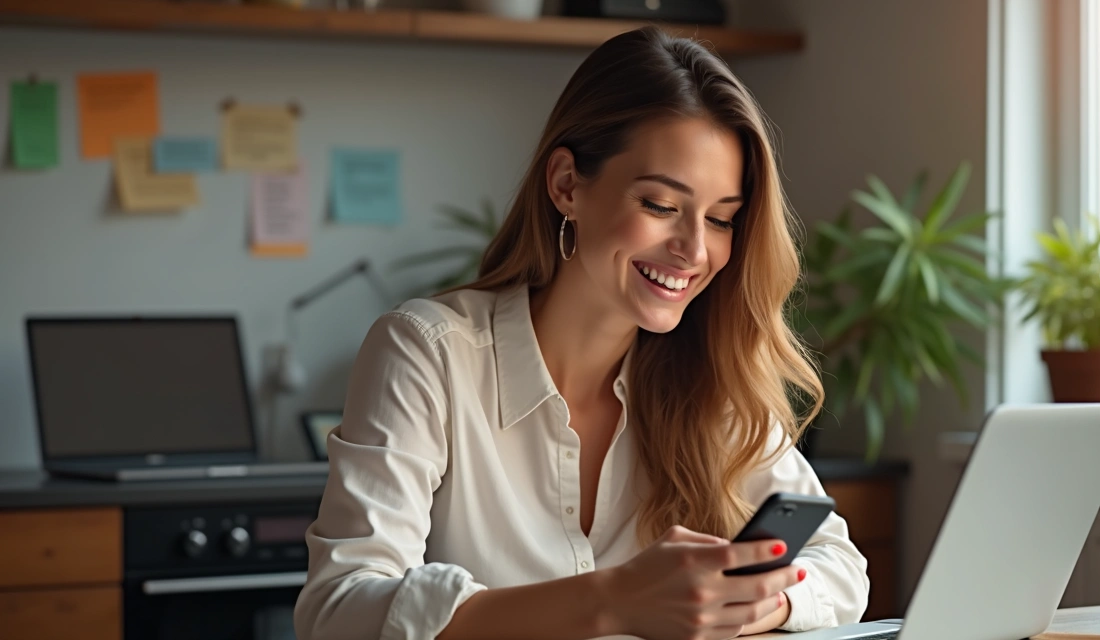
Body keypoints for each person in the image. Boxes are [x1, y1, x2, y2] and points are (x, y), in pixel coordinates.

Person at [294, 26, 869, 640]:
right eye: (660, 206)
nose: (694, 251)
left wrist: (749, 604)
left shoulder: (711, 375)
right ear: (567, 184)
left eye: (722, 219)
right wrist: (611, 601)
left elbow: (838, 568)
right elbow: (340, 610)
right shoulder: (428, 353)